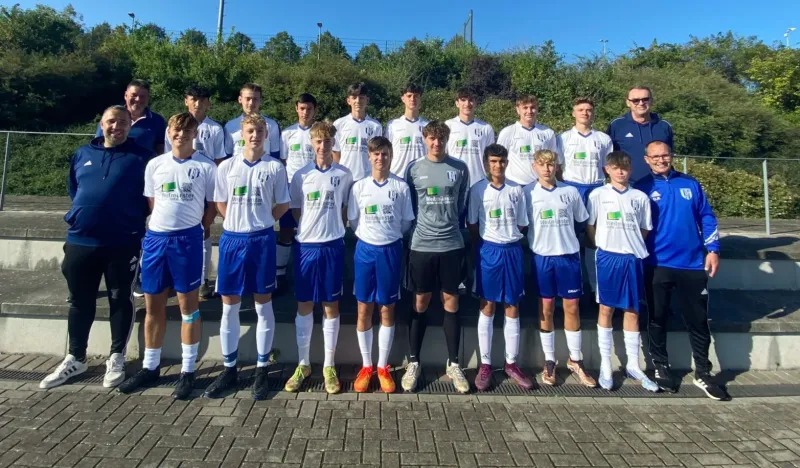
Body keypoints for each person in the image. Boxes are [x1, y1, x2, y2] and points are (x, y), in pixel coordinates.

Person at [40, 105, 154, 390]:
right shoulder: (82, 154)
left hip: (122, 241)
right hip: (81, 239)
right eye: (111, 121)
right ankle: (76, 358)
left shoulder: (143, 157)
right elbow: (75, 189)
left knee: (120, 297)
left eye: (123, 122)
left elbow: (149, 198)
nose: (117, 127)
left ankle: (116, 357)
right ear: (101, 124)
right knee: (80, 300)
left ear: (130, 126)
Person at [117, 113, 217, 400]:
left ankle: (188, 370)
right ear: (169, 132)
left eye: (187, 130)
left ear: (195, 134)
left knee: (189, 308)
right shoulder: (155, 164)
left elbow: (212, 206)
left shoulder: (206, 166)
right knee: (153, 307)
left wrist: (197, 229)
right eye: (176, 129)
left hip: (187, 240)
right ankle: (150, 367)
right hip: (157, 240)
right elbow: (153, 202)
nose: (181, 134)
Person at [204, 114, 290, 400]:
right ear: (241, 134)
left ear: (267, 134)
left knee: (263, 305)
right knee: (229, 307)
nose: (255, 135)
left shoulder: (274, 167)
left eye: (260, 131)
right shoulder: (226, 167)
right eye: (250, 130)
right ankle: (229, 368)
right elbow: (219, 202)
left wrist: (262, 221)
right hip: (232, 240)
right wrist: (237, 222)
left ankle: (262, 369)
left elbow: (283, 204)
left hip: (262, 240)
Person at [635, 141, 728, 400]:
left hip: (692, 263)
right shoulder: (641, 187)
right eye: (655, 156)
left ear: (671, 156)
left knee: (698, 320)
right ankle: (661, 366)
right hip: (656, 264)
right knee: (657, 317)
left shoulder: (690, 183)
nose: (661, 160)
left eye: (665, 155)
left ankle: (703, 372)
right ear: (646, 159)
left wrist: (713, 250)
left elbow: (706, 217)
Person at [285, 121, 354, 394]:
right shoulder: (300, 175)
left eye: (327, 141)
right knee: (304, 304)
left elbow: (346, 208)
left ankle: (328, 365)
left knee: (330, 304)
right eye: (318, 141)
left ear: (333, 143)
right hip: (306, 247)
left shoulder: (344, 174)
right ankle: (303, 364)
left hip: (332, 246)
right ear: (311, 143)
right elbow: (296, 211)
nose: (323, 146)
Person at [403, 121, 470, 394]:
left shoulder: (460, 168)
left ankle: (454, 363)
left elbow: (461, 204)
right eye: (431, 138)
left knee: (451, 302)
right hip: (422, 245)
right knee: (421, 301)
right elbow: (411, 206)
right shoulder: (413, 169)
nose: (436, 143)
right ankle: (414, 362)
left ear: (447, 139)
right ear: (424, 139)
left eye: (441, 139)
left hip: (452, 245)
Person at [585, 151, 658, 392]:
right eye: (616, 168)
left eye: (624, 168)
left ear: (630, 170)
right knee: (606, 309)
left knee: (632, 309)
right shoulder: (598, 195)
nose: (620, 172)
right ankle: (606, 365)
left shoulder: (640, 197)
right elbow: (590, 225)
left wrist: (631, 246)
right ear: (607, 169)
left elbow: (645, 229)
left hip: (632, 258)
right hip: (608, 257)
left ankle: (633, 365)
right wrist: (601, 244)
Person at [348, 136, 415, 393]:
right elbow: (354, 221)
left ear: (391, 155)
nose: (380, 158)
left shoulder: (401, 187)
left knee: (387, 308)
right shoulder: (359, 187)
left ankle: (382, 366)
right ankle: (367, 366)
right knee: (364, 308)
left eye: (385, 153)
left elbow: (406, 222)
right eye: (376, 154)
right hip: (365, 250)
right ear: (369, 156)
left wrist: (388, 237)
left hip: (390, 250)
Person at [525, 149, 596, 388]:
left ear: (557, 166)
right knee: (545, 308)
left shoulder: (570, 191)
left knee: (572, 307)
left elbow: (582, 221)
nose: (547, 169)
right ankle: (549, 359)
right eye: (542, 164)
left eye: (551, 164)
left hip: (568, 257)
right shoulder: (527, 193)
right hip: (542, 257)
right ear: (534, 166)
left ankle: (576, 359)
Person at [468, 144, 533, 391]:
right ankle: (485, 364)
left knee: (512, 305)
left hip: (512, 250)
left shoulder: (516, 189)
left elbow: (522, 223)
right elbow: (472, 224)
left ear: (507, 162)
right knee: (487, 305)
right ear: (486, 163)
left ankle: (511, 364)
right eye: (493, 161)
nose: (498, 165)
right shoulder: (478, 190)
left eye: (502, 161)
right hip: (489, 251)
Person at [165, 85, 227, 299]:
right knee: (175, 229)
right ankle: (174, 278)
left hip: (202, 185)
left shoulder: (215, 129)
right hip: (178, 187)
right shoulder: (173, 126)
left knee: (204, 230)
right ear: (186, 101)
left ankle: (202, 280)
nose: (197, 103)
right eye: (193, 99)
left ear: (208, 103)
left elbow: (219, 161)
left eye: (202, 99)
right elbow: (168, 158)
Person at [558, 97, 614, 294]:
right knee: (569, 237)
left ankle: (595, 287)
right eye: (580, 109)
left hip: (596, 189)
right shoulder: (563, 138)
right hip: (572, 188)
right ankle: (570, 287)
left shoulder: (603, 139)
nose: (585, 113)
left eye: (588, 109)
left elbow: (608, 167)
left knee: (594, 239)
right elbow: (558, 167)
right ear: (573, 113)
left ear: (593, 113)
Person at [277, 93, 318, 285]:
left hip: (314, 187)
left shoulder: (319, 134)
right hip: (291, 187)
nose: (305, 112)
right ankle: (280, 273)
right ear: (296, 109)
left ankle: (310, 271)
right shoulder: (287, 133)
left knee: (311, 228)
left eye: (309, 109)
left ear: (314, 110)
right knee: (286, 229)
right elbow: (284, 161)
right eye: (302, 108)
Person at [607, 86, 674, 182]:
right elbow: (610, 158)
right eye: (636, 100)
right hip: (629, 185)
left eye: (645, 99)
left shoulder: (664, 126)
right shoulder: (617, 125)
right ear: (628, 102)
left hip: (660, 184)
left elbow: (668, 155)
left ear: (651, 101)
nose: (641, 103)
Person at [498, 94, 558, 187]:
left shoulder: (548, 133)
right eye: (525, 108)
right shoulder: (507, 132)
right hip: (515, 184)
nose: (529, 111)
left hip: (540, 185)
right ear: (518, 110)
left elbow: (553, 159)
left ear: (537, 109)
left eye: (532, 107)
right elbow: (499, 159)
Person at [95, 79, 167, 155]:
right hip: (111, 161)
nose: (138, 99)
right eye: (134, 95)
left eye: (142, 96)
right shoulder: (109, 118)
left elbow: (160, 148)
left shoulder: (157, 120)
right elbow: (97, 144)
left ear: (148, 98)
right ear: (126, 95)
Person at [445, 88, 495, 187]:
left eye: (471, 100)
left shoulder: (486, 128)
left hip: (479, 182)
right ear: (457, 103)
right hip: (455, 181)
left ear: (475, 103)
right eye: (463, 100)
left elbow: (490, 158)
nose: (467, 104)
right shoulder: (448, 125)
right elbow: (443, 154)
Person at [333, 82, 383, 181]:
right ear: (348, 100)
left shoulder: (376, 126)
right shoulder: (339, 124)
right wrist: (340, 173)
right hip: (345, 178)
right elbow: (335, 152)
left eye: (361, 97)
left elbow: (377, 154)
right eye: (354, 97)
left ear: (367, 100)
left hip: (367, 178)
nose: (358, 101)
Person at [225, 83, 281, 160]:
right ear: (240, 99)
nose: (251, 103)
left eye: (255, 99)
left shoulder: (271, 125)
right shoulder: (230, 126)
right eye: (248, 99)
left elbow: (275, 155)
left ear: (260, 100)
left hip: (264, 167)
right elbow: (227, 156)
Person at [385, 83, 428, 178]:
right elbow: (387, 152)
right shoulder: (392, 125)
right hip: (397, 176)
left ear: (420, 98)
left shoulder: (427, 125)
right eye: (409, 96)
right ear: (403, 99)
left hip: (421, 177)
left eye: (416, 96)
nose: (412, 99)